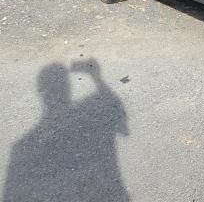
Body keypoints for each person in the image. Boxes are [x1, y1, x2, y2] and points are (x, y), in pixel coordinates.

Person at [3, 59, 129, 202]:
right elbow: (119, 120)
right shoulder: (88, 113)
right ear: (69, 88)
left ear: (41, 92)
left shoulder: (21, 148)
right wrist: (96, 77)